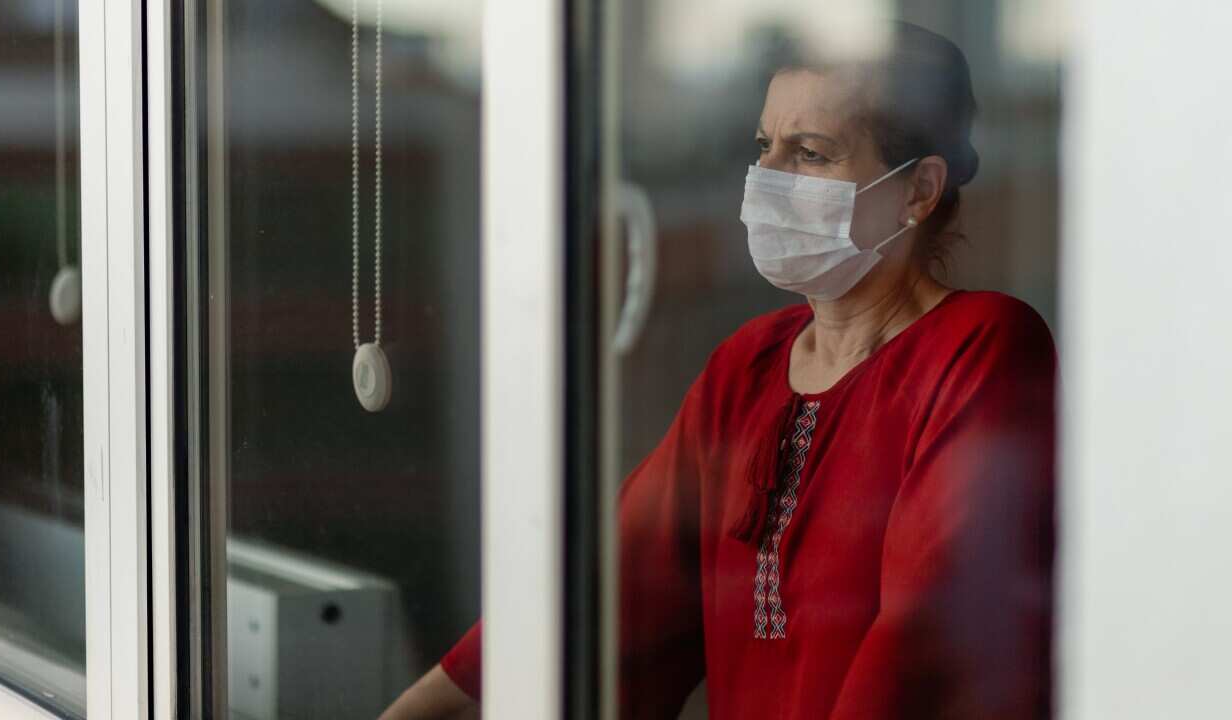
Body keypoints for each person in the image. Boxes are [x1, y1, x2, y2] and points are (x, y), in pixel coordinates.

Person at [381, 20, 1055, 720]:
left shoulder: (982, 347)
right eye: (765, 147)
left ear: (918, 190)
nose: (768, 178)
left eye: (810, 154)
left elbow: (921, 646)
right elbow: (611, 587)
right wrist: (413, 711)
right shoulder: (749, 366)